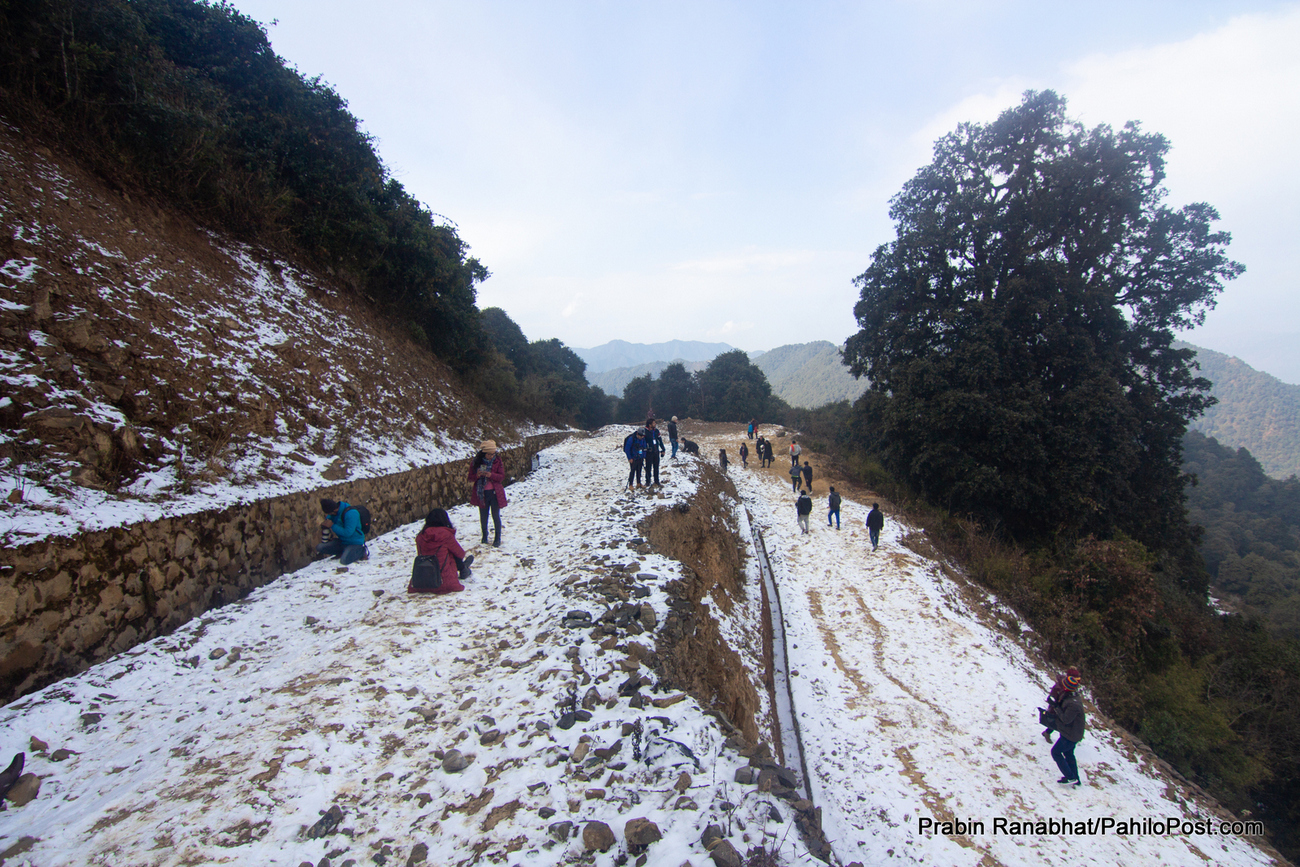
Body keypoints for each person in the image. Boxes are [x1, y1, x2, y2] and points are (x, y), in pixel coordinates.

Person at [410, 509, 472, 594]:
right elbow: (460, 553)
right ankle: (463, 568)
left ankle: (463, 568)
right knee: (451, 551)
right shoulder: (445, 534)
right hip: (443, 580)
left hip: (423, 578)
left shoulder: (420, 536)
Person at [468, 440, 508, 547]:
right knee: (483, 516)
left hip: (495, 492)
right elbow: (470, 478)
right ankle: (484, 536)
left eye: (493, 454)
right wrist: (477, 475)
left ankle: (497, 538)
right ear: (483, 453)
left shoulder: (497, 461)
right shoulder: (476, 462)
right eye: (489, 454)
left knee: (496, 515)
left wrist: (491, 475)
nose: (491, 456)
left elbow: (501, 477)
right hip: (481, 493)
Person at [1049, 669, 1085, 786]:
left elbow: (1066, 719)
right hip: (1071, 733)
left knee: (1056, 752)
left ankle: (1070, 777)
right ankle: (1076, 778)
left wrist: (1056, 707)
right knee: (1069, 754)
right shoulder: (1071, 696)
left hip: (1071, 735)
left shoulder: (1073, 703)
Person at [318, 498, 368, 564]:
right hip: (342, 542)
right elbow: (329, 519)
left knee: (344, 561)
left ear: (334, 511)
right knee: (320, 547)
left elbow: (348, 533)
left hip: (355, 542)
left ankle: (361, 551)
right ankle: (344, 552)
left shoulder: (351, 513)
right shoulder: (334, 514)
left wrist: (332, 525)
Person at [1041, 672, 1071, 742]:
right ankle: (1047, 733)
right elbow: (1053, 697)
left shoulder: (1064, 685)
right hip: (1056, 707)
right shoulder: (1059, 687)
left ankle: (1047, 732)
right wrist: (1056, 704)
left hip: (1061, 707)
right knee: (1055, 721)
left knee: (1057, 722)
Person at [644, 418, 666, 485]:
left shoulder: (656, 431)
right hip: (649, 452)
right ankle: (648, 481)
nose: (655, 424)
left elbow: (660, 440)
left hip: (656, 451)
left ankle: (656, 481)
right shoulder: (645, 431)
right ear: (650, 424)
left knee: (656, 467)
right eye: (653, 423)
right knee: (648, 467)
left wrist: (663, 449)